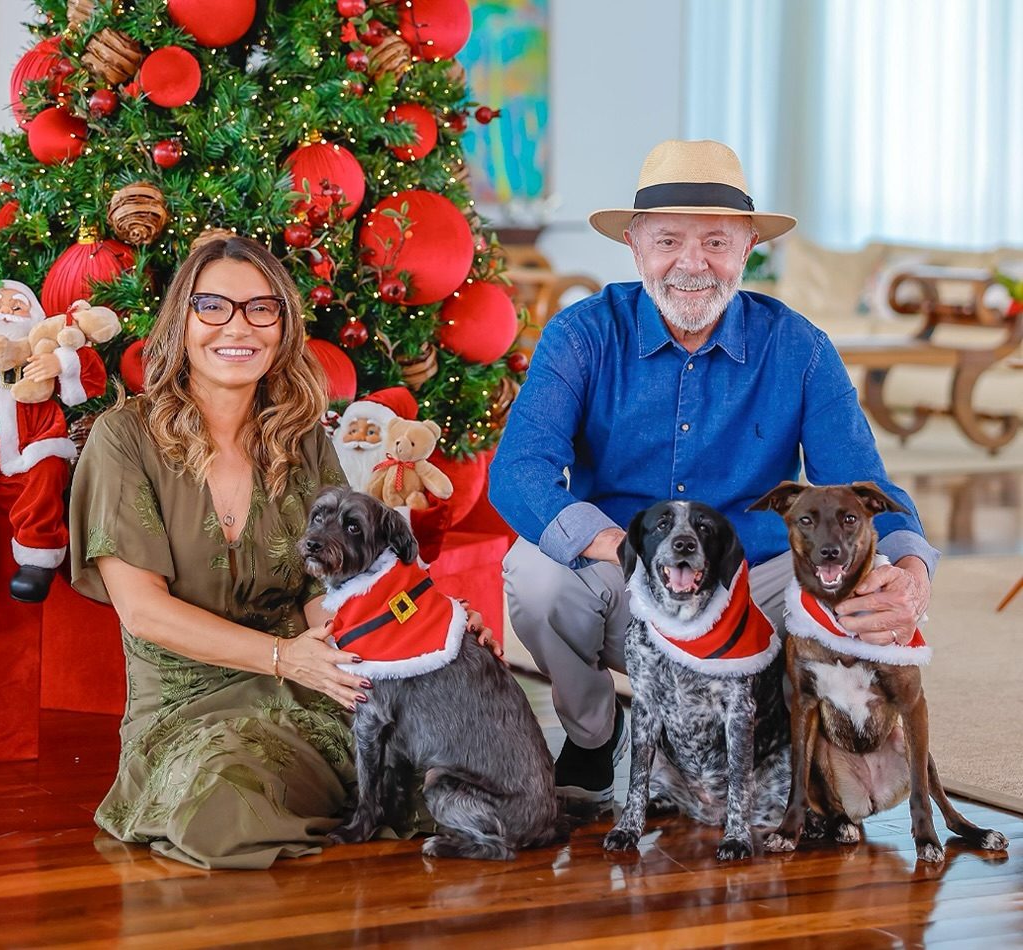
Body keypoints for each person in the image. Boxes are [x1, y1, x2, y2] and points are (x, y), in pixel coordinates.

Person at [488, 140, 939, 810]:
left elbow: (862, 484)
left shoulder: (800, 347)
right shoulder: (581, 335)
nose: (692, 264)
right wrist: (620, 547)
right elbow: (517, 469)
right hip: (631, 579)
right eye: (668, 240)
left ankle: (785, 739)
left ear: (749, 246)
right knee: (535, 574)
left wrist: (912, 573)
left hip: (756, 585)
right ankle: (592, 732)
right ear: (636, 246)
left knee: (860, 573)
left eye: (717, 242)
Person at [70, 236, 494, 869]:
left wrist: (427, 627)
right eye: (212, 306)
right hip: (190, 701)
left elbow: (329, 595)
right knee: (225, 808)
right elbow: (144, 613)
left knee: (456, 773)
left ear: (283, 326)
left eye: (260, 309)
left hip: (314, 677)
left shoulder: (303, 437)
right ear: (180, 321)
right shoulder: (124, 438)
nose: (237, 327)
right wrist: (280, 657)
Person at [0, 279, 106, 613]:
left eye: (18, 307)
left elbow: (92, 380)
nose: (7, 313)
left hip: (29, 447)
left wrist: (62, 363)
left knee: (46, 473)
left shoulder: (42, 349)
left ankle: (37, 559)